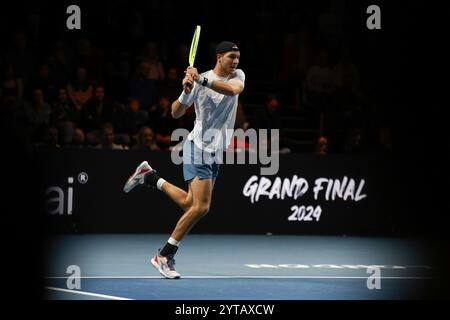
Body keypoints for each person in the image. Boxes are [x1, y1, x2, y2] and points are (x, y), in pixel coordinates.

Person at [123, 41, 245, 279]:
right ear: (219, 57)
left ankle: (150, 177)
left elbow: (232, 91)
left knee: (192, 204)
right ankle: (164, 256)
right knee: (201, 207)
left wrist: (199, 80)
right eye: (231, 57)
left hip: (215, 152)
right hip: (198, 147)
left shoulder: (236, 76)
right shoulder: (199, 82)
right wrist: (187, 90)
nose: (236, 61)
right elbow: (176, 112)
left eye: (237, 57)